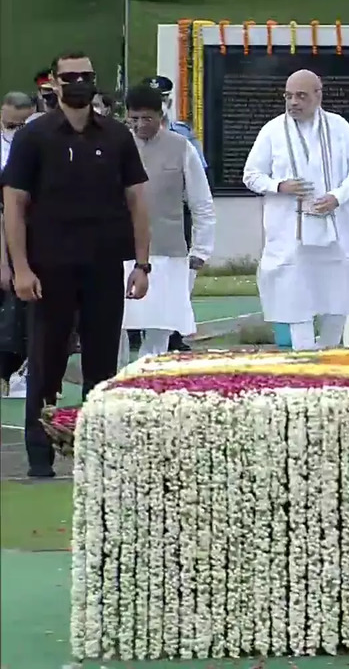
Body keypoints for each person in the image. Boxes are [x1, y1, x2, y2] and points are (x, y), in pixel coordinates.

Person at [1, 51, 151, 478]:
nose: (79, 83)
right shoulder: (35, 136)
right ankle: (40, 458)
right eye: (70, 77)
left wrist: (143, 264)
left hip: (104, 265)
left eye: (86, 76)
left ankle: (97, 456)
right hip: (49, 269)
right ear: (54, 83)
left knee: (102, 366)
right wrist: (21, 267)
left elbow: (138, 199)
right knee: (46, 363)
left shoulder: (117, 136)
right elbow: (14, 202)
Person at [242, 69, 349, 350]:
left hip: (334, 228)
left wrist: (337, 196)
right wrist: (280, 186)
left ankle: (329, 350)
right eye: (288, 96)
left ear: (318, 95)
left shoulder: (338, 127)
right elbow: (251, 175)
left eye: (301, 96)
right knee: (294, 290)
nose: (293, 102)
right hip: (291, 233)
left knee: (339, 288)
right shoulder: (272, 131)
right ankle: (303, 353)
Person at [116, 84, 214, 365]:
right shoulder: (117, 144)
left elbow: (201, 203)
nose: (139, 125)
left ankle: (150, 373)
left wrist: (201, 250)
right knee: (116, 322)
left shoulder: (182, 147)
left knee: (162, 322)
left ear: (161, 115)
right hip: (121, 249)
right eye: (133, 118)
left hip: (168, 250)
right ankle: (116, 377)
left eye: (146, 118)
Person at [141, 75, 206, 353]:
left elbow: (200, 196)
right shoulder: (120, 140)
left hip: (170, 230)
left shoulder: (182, 139)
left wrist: (202, 246)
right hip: (129, 238)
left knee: (166, 313)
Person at [1, 91, 37, 396]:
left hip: (25, 233)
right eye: (11, 124)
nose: (16, 130)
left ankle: (22, 370)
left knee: (22, 310)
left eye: (22, 124)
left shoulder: (37, 143)